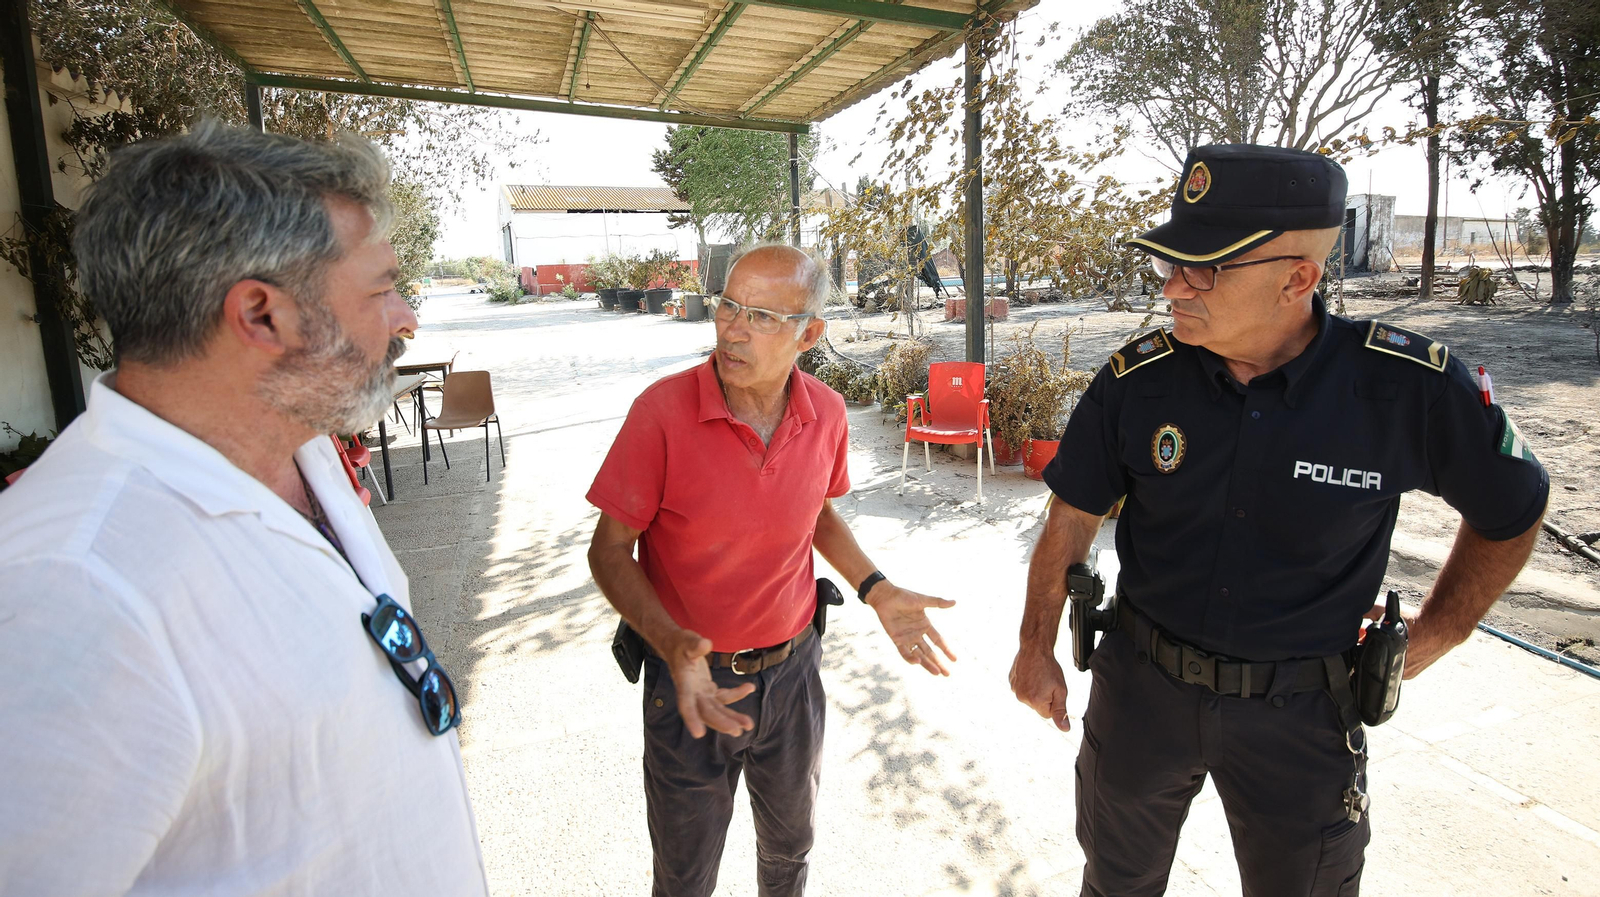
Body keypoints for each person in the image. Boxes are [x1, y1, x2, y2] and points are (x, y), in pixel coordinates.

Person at [1008, 144, 1549, 896]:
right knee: (1115, 882)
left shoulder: (1405, 388)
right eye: (1170, 260)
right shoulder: (1138, 383)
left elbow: (1514, 505)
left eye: (1205, 266)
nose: (1173, 284)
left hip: (1303, 713)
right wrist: (1035, 646)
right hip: (1143, 692)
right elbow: (1071, 517)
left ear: (1299, 277)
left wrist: (1444, 626)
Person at [0, 122, 488, 895]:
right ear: (262, 315)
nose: (405, 318)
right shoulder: (74, 588)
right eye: (381, 287)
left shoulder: (302, 445)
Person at [586, 244, 956, 897]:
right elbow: (609, 549)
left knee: (790, 853)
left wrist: (876, 588)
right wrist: (672, 644)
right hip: (693, 686)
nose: (730, 326)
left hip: (793, 677)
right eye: (728, 303)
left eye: (759, 315)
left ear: (809, 334)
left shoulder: (828, 414)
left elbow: (816, 513)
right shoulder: (662, 413)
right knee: (684, 873)